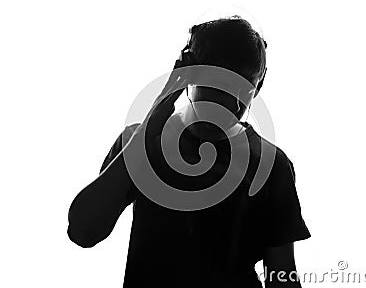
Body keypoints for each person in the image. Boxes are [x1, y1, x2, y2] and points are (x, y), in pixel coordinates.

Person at [67, 15, 311, 288]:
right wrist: (155, 117)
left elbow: (282, 275)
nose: (226, 103)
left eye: (242, 90)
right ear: (187, 73)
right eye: (214, 84)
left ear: (258, 87)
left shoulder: (270, 164)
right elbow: (83, 231)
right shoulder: (142, 143)